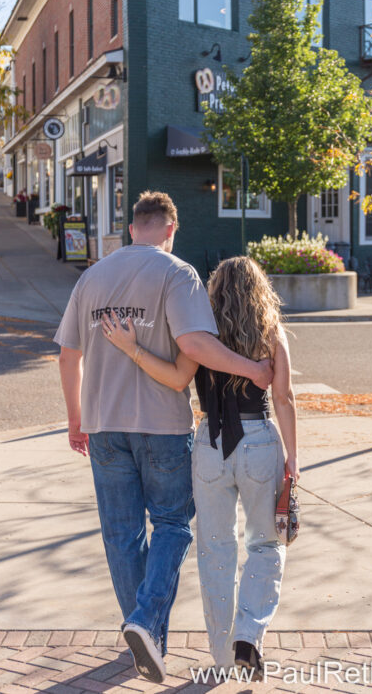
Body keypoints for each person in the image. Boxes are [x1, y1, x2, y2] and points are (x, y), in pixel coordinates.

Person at [55, 192, 273, 685]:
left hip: (103, 423)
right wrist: (252, 369)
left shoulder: (91, 277)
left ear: (133, 228)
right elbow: (195, 344)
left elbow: (68, 356)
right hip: (162, 426)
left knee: (120, 533)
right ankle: (145, 623)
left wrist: (75, 418)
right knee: (173, 523)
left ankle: (145, 634)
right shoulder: (178, 274)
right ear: (172, 230)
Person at [101, 255, 299, 679]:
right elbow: (283, 398)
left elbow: (175, 378)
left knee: (215, 550)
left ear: (213, 291)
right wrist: (293, 458)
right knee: (266, 545)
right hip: (260, 441)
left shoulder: (200, 333)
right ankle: (248, 633)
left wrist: (131, 347)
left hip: (209, 446)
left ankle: (224, 657)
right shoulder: (270, 331)